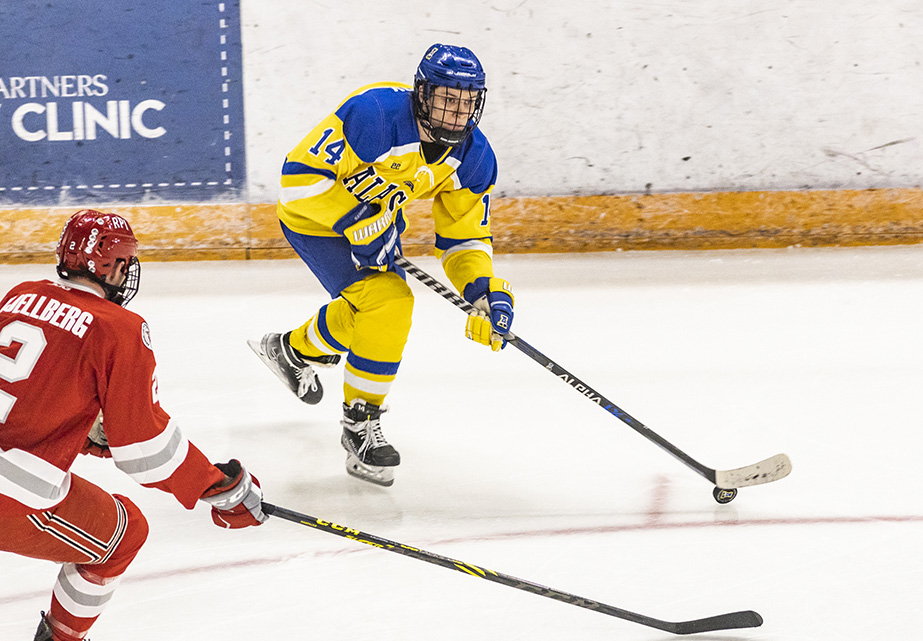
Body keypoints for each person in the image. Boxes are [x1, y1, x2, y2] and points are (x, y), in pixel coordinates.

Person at [249, 43, 515, 487]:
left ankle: (293, 350)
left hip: (372, 226)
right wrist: (357, 222)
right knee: (390, 304)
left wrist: (482, 289)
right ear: (422, 94)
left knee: (371, 318)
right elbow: (298, 182)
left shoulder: (475, 158)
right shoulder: (374, 114)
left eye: (467, 103)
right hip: (315, 216)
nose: (457, 114)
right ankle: (359, 423)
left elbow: (464, 237)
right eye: (448, 99)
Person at [0, 210, 267, 641]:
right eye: (125, 263)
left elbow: (22, 396)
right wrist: (218, 487)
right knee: (122, 536)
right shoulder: (120, 328)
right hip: (9, 496)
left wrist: (82, 433)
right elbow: (145, 451)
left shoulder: (19, 296)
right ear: (113, 265)